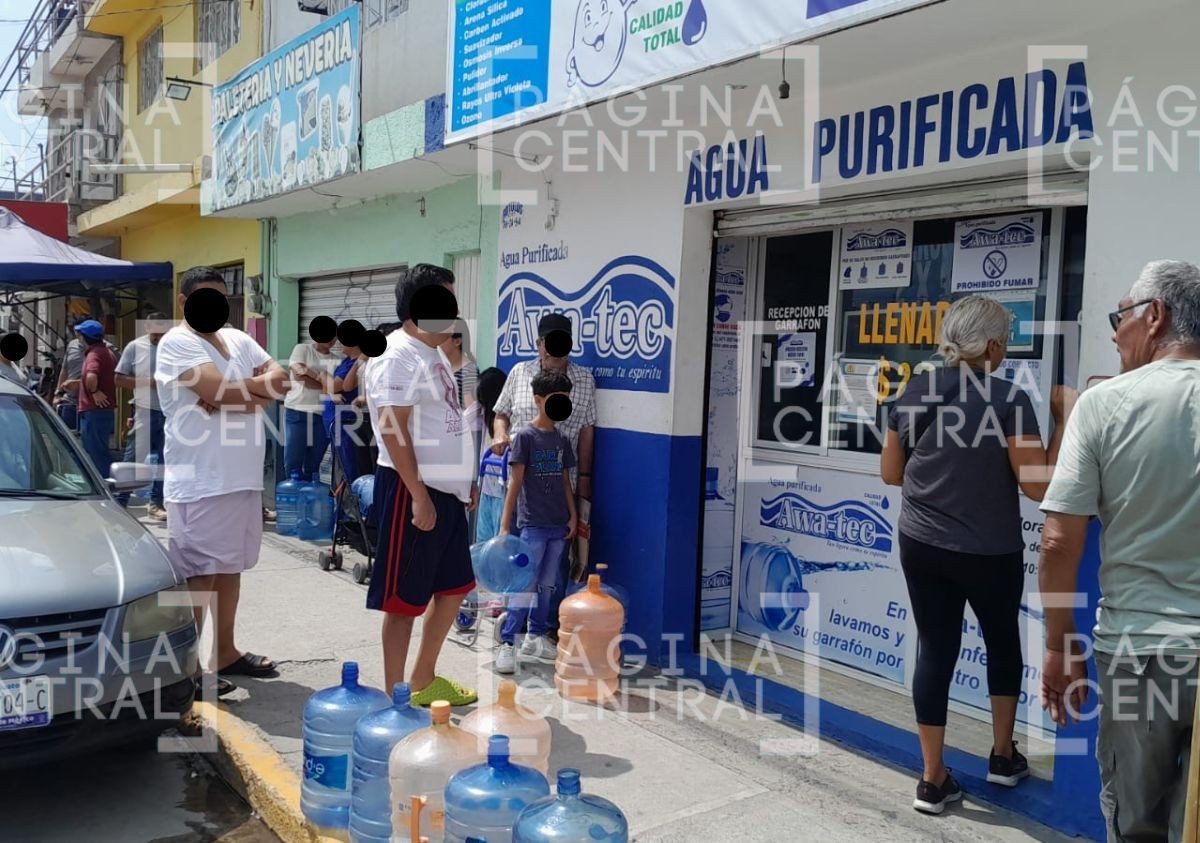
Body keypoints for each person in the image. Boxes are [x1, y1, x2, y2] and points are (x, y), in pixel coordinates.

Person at [880, 295, 1073, 815]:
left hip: (920, 544)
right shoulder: (1008, 399)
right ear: (989, 345)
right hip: (989, 552)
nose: (1006, 351)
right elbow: (1038, 486)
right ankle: (1003, 756)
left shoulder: (913, 391)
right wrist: (1064, 421)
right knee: (1002, 642)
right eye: (1005, 342)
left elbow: (891, 474)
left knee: (935, 651)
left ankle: (932, 778)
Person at [1039, 260, 1200, 842]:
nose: (1113, 333)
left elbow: (1059, 539)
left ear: (1155, 317)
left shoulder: (1102, 405)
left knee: (1137, 824)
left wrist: (1060, 645)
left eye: (1121, 315)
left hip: (1141, 656)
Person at [155, 266, 290, 697]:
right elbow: (224, 393)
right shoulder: (177, 343)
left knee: (229, 568)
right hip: (200, 480)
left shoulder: (235, 338)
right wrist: (243, 394)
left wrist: (235, 393)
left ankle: (225, 652)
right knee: (198, 575)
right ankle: (185, 670)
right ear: (183, 302)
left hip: (240, 477)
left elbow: (280, 379)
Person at [362, 264, 478, 706]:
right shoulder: (397, 355)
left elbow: (444, 420)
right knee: (404, 600)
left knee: (453, 588)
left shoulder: (433, 353)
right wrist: (419, 495)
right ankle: (396, 697)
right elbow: (393, 429)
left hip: (443, 494)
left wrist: (459, 483)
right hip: (413, 492)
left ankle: (424, 679)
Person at [492, 313, 597, 630]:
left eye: (560, 348)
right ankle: (512, 629)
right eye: (548, 347)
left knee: (555, 569)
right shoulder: (520, 373)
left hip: (559, 494)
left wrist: (584, 482)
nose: (553, 354)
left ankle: (543, 628)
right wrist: (499, 434)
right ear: (538, 345)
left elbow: (588, 432)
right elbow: (501, 413)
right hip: (523, 489)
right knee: (525, 565)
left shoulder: (584, 381)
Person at [494, 370, 578, 674]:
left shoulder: (562, 439)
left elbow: (566, 480)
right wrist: (505, 526)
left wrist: (573, 515)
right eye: (557, 400)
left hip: (559, 524)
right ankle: (508, 642)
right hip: (533, 525)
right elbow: (514, 484)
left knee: (547, 583)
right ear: (539, 400)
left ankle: (536, 634)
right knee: (525, 583)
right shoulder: (526, 438)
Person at [114, 312, 168, 519]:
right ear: (146, 329)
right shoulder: (135, 347)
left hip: (169, 412)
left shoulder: (172, 348)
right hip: (144, 410)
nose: (157, 338)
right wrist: (149, 382)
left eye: (161, 334)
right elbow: (119, 379)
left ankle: (156, 503)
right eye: (154, 334)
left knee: (165, 460)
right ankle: (120, 502)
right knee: (132, 458)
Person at [65, 319, 118, 479]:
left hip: (94, 411)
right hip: (100, 411)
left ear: (84, 337)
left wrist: (94, 391)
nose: (78, 337)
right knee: (96, 449)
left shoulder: (94, 354)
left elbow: (91, 376)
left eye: (79, 334)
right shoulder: (105, 352)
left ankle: (107, 485)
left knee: (96, 452)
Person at [284, 332, 340, 481]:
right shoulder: (302, 349)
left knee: (314, 462)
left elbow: (335, 388)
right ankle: (292, 498)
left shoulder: (337, 360)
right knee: (293, 460)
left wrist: (310, 373)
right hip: (298, 411)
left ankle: (309, 498)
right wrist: (322, 381)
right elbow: (299, 377)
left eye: (335, 336)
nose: (332, 340)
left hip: (323, 415)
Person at [323, 337, 370, 482]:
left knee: (350, 465)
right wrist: (331, 391)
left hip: (347, 422)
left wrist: (320, 375)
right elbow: (329, 388)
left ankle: (353, 498)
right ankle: (343, 498)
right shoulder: (345, 361)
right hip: (336, 423)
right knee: (341, 466)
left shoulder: (359, 363)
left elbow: (339, 386)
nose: (339, 343)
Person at [474, 367, 510, 544]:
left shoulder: (508, 419)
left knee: (498, 545)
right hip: (487, 488)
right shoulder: (482, 414)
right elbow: (463, 421)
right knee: (482, 544)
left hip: (503, 490)